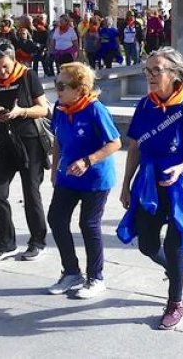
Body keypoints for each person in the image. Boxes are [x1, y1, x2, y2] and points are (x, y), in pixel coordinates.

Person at [117, 47, 183, 331]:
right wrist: (125, 185)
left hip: (181, 184)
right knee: (147, 244)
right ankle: (175, 270)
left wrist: (181, 168)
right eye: (148, 70)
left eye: (157, 70)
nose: (151, 76)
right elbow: (134, 147)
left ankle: (176, 301)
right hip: (149, 182)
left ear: (174, 74)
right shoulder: (144, 105)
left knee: (174, 244)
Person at [46, 62, 122, 299]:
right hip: (68, 175)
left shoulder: (95, 110)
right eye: (56, 84)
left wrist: (88, 160)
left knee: (88, 225)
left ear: (80, 89)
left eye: (62, 85)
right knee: (56, 219)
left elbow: (115, 143)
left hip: (95, 178)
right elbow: (58, 139)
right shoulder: (60, 108)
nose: (57, 89)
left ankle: (96, 278)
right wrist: (55, 170)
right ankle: (71, 272)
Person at [0, 41, 52, 263]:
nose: (1, 72)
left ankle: (38, 242)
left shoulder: (28, 76)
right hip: (4, 143)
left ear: (14, 61)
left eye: (5, 66)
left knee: (31, 194)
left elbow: (44, 109)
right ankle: (6, 243)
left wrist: (22, 111)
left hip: (30, 141)